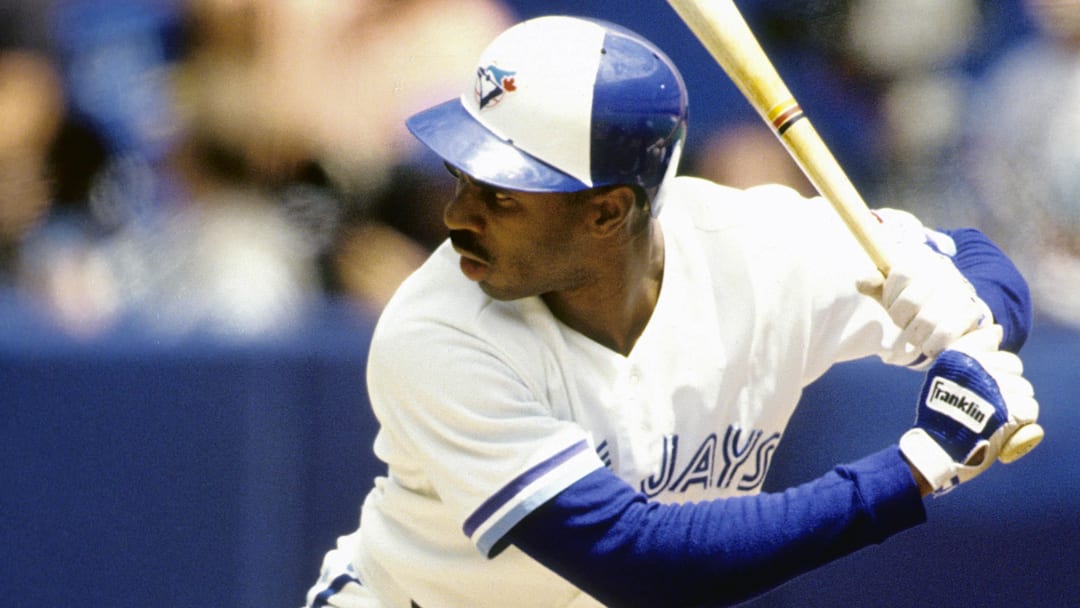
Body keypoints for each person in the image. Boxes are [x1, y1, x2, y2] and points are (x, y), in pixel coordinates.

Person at [305, 16, 1039, 608]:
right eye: (460, 178)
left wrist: (970, 319)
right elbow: (647, 568)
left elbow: (977, 258)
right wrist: (915, 467)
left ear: (609, 211)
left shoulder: (751, 247)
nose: (458, 216)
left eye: (501, 195)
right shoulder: (437, 333)